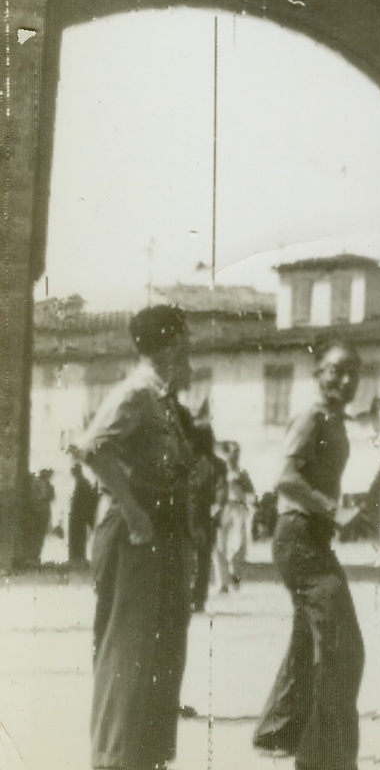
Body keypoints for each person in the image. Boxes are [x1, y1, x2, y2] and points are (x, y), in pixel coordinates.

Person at [75, 304, 195, 770]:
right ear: (170, 344)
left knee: (160, 651)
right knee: (129, 651)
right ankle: (115, 760)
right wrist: (132, 510)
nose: (190, 348)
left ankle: (145, 758)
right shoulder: (138, 393)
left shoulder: (162, 397)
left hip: (159, 535)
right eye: (184, 340)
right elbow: (92, 448)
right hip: (133, 537)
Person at [253, 341, 365, 770]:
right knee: (343, 646)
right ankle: (323, 759)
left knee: (309, 638)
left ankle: (279, 730)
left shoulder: (334, 419)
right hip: (298, 537)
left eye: (353, 372)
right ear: (319, 372)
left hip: (312, 537)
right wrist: (332, 508)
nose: (346, 380)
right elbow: (286, 478)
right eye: (336, 371)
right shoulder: (312, 416)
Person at [188, 422, 227, 612]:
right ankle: (199, 599)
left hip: (187, 513)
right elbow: (221, 490)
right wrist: (218, 507)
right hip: (206, 514)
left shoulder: (187, 461)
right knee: (204, 559)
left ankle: (187, 595)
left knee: (186, 556)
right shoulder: (218, 464)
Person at [215, 440, 254, 592]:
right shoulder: (219, 471)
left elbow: (251, 493)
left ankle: (235, 576)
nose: (234, 456)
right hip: (223, 507)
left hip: (238, 508)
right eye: (231, 452)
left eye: (237, 453)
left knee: (240, 544)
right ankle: (223, 583)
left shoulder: (242, 472)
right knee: (220, 545)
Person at [67, 460, 99, 566]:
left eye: (73, 471)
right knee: (77, 537)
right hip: (78, 515)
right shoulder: (82, 482)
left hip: (79, 515)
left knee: (78, 537)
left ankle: (77, 558)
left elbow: (84, 500)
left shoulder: (82, 482)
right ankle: (77, 557)